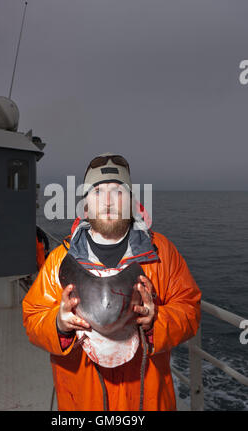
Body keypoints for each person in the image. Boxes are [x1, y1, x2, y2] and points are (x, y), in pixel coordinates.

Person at [22, 153, 201, 411]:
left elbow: (190, 308)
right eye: (97, 192)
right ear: (85, 204)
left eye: (117, 191)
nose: (107, 201)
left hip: (147, 402)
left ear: (131, 201)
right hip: (81, 403)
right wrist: (59, 325)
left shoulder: (162, 253)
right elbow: (32, 317)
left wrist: (155, 321)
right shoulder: (60, 260)